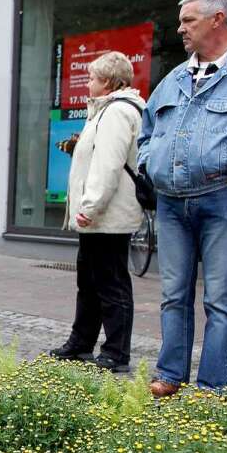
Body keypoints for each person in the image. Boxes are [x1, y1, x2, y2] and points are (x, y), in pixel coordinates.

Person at [139, 0, 227, 395]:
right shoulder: (174, 79)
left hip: (224, 199)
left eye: (189, 20)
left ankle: (213, 388)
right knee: (173, 296)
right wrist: (150, 161)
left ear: (218, 19)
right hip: (170, 203)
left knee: (219, 299)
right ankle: (170, 375)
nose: (180, 29)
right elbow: (147, 132)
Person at [49, 51, 145, 373]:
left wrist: (90, 207)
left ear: (107, 82)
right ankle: (81, 342)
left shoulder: (117, 112)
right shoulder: (104, 111)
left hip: (108, 217)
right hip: (99, 216)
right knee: (89, 282)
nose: (87, 83)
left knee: (111, 284)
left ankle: (117, 352)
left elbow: (108, 166)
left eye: (91, 78)